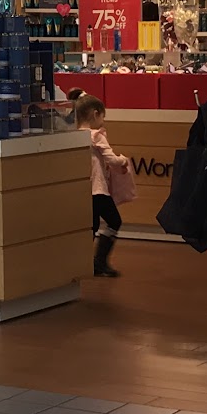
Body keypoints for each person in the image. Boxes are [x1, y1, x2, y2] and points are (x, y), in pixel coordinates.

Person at [76, 92, 134, 278]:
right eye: (103, 116)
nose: (103, 121)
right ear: (95, 114)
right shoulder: (97, 136)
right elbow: (112, 160)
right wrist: (123, 160)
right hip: (98, 188)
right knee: (114, 221)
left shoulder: (75, 135)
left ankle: (83, 263)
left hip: (83, 188)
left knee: (91, 225)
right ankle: (99, 262)